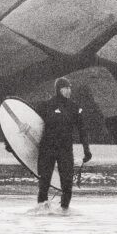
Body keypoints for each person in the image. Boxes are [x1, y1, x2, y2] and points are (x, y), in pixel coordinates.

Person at [33, 77, 91, 211]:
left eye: (70, 88)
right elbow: (31, 123)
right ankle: (42, 211)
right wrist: (11, 144)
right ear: (59, 90)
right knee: (44, 183)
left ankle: (64, 212)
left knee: (67, 185)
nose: (69, 90)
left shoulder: (74, 107)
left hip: (65, 150)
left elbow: (82, 130)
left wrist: (86, 150)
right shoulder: (47, 105)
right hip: (47, 149)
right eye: (66, 88)